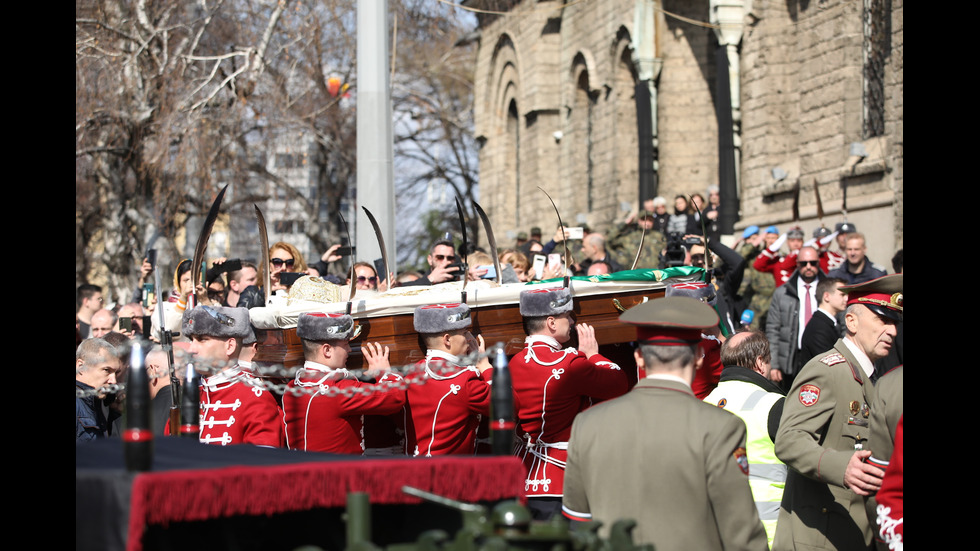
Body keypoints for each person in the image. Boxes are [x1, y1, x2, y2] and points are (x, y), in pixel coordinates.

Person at [562, 297, 768, 550]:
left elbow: (577, 520)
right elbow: (740, 529)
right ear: (699, 357)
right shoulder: (720, 426)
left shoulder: (588, 424)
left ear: (639, 357)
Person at [773, 273, 902, 550]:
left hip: (855, 533)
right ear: (851, 321)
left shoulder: (873, 377)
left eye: (895, 323)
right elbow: (789, 439)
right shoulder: (827, 370)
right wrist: (841, 467)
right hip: (819, 537)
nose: (892, 331)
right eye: (883, 320)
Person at [510, 286, 629, 519]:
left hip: (523, 477)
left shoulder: (514, 362)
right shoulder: (570, 363)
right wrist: (593, 354)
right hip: (560, 480)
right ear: (552, 323)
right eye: (568, 316)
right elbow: (618, 383)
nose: (573, 322)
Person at [704, 330, 787, 545]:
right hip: (767, 531)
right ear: (760, 362)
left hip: (717, 531)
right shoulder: (775, 405)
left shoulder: (704, 405)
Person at [282, 312, 405, 453]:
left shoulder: (291, 387)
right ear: (327, 350)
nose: (350, 349)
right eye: (346, 344)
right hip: (340, 473)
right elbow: (394, 397)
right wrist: (384, 373)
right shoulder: (339, 391)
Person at [183, 305, 283, 446]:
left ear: (230, 346)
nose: (191, 349)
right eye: (191, 340)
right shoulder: (190, 397)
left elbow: (262, 462)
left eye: (202, 339)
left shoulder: (255, 398)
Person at [402, 303, 492, 456]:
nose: (469, 339)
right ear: (447, 340)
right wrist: (485, 366)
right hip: (451, 475)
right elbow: (510, 406)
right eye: (464, 333)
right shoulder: (465, 379)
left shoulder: (410, 374)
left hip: (414, 472)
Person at [766, 246, 825, 392]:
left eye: (813, 263)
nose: (808, 267)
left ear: (819, 263)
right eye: (804, 263)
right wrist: (774, 364)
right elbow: (773, 329)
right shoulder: (782, 292)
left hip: (822, 354)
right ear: (797, 264)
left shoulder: (829, 290)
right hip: (792, 358)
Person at [76, 338, 122, 440]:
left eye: (116, 372)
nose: (113, 381)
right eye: (106, 370)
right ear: (81, 366)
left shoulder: (98, 403)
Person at [798, 277, 847, 369]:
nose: (846, 299)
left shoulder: (827, 324)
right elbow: (830, 366)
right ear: (826, 296)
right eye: (842, 294)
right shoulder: (818, 329)